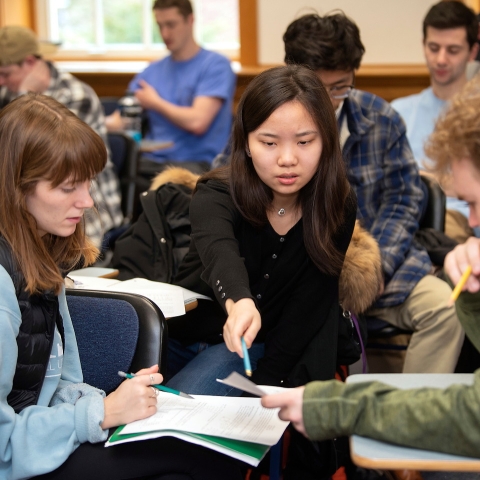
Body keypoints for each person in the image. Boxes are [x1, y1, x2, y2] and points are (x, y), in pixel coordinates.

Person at [0, 93, 243, 480]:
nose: (88, 201)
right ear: (17, 188)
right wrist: (103, 413)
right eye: (67, 188)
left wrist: (107, 402)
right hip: (19, 457)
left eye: (87, 184)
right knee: (195, 458)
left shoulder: (40, 256)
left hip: (41, 438)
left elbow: (57, 385)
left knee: (210, 449)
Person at [261, 74, 480, 461]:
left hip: (387, 267)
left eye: (475, 204)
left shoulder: (380, 119)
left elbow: (471, 415)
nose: (473, 223)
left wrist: (337, 406)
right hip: (324, 279)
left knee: (441, 306)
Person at [163, 64, 358, 479]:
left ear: (326, 142)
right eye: (269, 142)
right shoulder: (216, 192)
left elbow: (310, 306)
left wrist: (261, 394)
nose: (287, 159)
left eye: (305, 141)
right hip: (191, 334)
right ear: (247, 143)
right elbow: (219, 253)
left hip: (256, 353)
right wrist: (240, 301)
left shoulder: (337, 206)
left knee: (185, 438)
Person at [283, 11, 463, 374]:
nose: (331, 100)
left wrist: (376, 264)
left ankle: (408, 421)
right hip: (297, 278)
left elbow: (405, 197)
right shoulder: (267, 119)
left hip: (378, 270)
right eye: (319, 89)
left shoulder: (379, 118)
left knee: (445, 308)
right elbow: (231, 189)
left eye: (341, 87)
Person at [0, 25, 123, 249]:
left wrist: (23, 98)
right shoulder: (8, 92)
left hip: (88, 219)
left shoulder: (76, 95)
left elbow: (53, 158)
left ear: (29, 62)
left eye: (5, 73)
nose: (1, 81)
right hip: (33, 213)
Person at [392, 1, 479, 243]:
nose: (441, 59)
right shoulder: (398, 112)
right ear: (423, 46)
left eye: (452, 50)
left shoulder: (477, 113)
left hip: (460, 226)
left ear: (472, 52)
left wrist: (426, 179)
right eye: (433, 47)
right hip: (403, 219)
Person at [129, 0, 236, 181]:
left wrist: (155, 103)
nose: (164, 33)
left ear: (190, 20)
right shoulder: (151, 71)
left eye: (171, 25)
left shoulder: (215, 65)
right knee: (109, 166)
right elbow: (122, 117)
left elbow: (197, 122)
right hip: (150, 162)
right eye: (160, 26)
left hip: (198, 166)